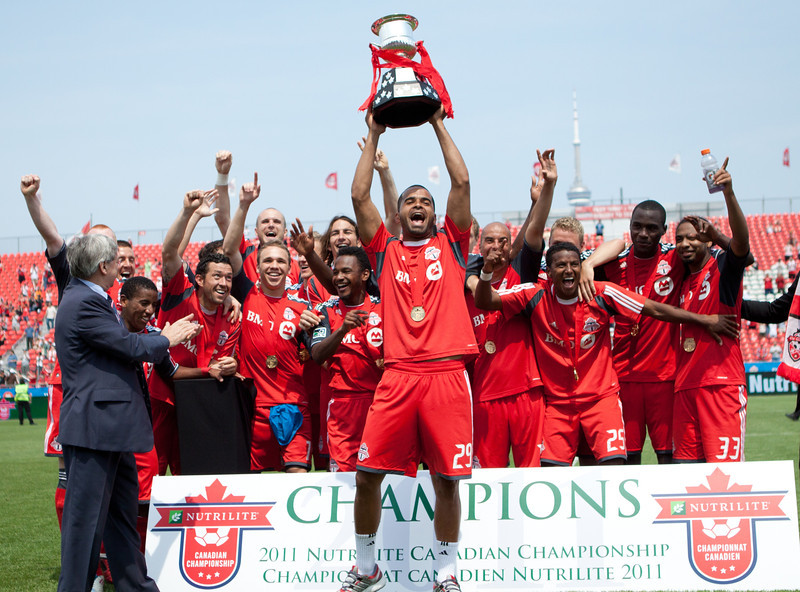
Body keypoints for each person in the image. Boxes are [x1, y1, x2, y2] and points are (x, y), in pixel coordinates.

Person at [340, 106, 477, 592]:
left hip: (445, 374)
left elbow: (461, 184)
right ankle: (365, 569)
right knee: (366, 476)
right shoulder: (384, 252)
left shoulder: (454, 245)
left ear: (437, 215)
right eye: (410, 201)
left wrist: (438, 123)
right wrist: (373, 132)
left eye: (426, 202)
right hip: (397, 375)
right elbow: (358, 195)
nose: (418, 205)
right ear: (399, 213)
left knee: (446, 481)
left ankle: (446, 575)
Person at [475, 242, 737, 466]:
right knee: (551, 475)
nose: (569, 271)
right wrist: (486, 271)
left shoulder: (600, 293)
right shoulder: (534, 295)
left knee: (614, 469)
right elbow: (486, 301)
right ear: (549, 273)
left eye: (574, 264)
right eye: (561, 266)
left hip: (601, 401)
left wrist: (704, 320)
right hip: (558, 405)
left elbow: (654, 309)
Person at [54, 233, 199, 592]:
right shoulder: (84, 302)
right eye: (117, 262)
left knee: (121, 518)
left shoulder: (91, 298)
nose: (123, 265)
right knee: (84, 524)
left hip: (112, 429)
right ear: (103, 266)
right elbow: (128, 346)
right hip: (94, 429)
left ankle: (136, 586)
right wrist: (168, 338)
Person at [462, 149, 558, 469]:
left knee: (531, 474)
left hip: (526, 392)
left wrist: (546, 191)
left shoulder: (523, 274)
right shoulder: (466, 284)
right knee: (488, 478)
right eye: (489, 240)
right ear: (480, 245)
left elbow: (535, 230)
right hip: (485, 395)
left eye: (503, 241)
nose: (496, 246)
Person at [223, 176, 320, 473]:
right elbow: (229, 252)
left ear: (290, 265)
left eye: (280, 260)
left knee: (297, 480)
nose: (274, 266)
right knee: (255, 486)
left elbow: (320, 354)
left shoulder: (304, 308)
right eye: (267, 261)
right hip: (255, 409)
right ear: (258, 266)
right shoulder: (246, 294)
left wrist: (312, 330)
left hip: (295, 406)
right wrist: (243, 205)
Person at [149, 189, 240, 475]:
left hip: (197, 404)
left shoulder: (232, 317)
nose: (224, 283)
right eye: (217, 276)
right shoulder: (179, 294)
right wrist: (189, 213)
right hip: (162, 398)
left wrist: (230, 364)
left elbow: (221, 365)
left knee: (189, 475)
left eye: (228, 277)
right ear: (199, 278)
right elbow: (168, 252)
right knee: (149, 475)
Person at [672, 157, 750, 463]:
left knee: (727, 476)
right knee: (686, 475)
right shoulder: (680, 279)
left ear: (706, 240)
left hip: (721, 387)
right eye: (679, 239)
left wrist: (729, 194)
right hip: (685, 389)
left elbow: (741, 245)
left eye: (692, 237)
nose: (685, 243)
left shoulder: (723, 268)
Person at [308, 246, 383, 472]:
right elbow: (317, 354)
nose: (339, 277)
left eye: (346, 272)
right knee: (344, 476)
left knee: (380, 474)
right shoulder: (325, 312)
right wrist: (342, 330)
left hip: (379, 404)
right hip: (343, 406)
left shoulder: (384, 308)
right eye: (336, 272)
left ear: (365, 274)